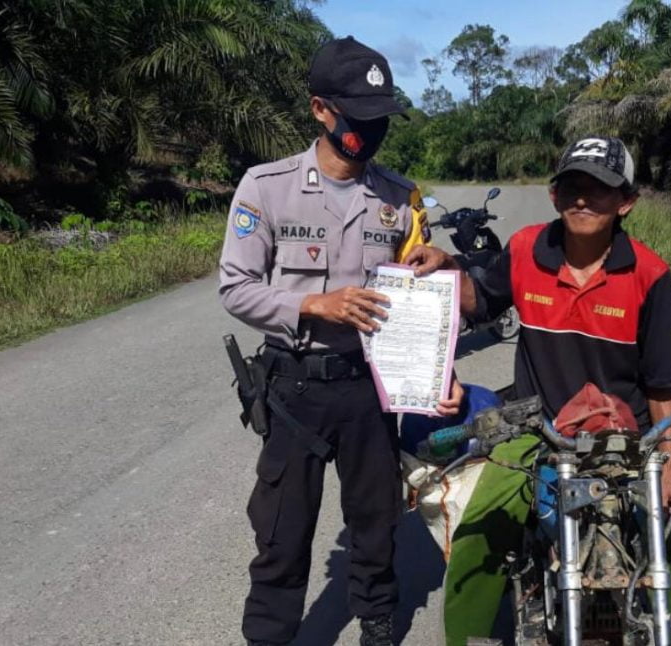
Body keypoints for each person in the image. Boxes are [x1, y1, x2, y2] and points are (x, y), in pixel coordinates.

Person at [405, 136, 671, 645]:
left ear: (626, 202)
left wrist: (665, 462)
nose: (582, 199)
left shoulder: (650, 274)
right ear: (554, 195)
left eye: (600, 189)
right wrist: (448, 268)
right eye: (572, 186)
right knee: (480, 531)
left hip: (626, 438)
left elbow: (661, 384)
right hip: (538, 430)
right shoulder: (527, 249)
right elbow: (481, 300)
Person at [218, 36, 462, 646]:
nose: (371, 130)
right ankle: (269, 635)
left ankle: (377, 622)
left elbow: (419, 298)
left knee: (376, 522)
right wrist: (310, 304)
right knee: (282, 531)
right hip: (294, 387)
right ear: (320, 109)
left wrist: (437, 267)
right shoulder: (266, 187)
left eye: (380, 117)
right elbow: (236, 288)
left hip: (368, 389)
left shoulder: (400, 197)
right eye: (358, 116)